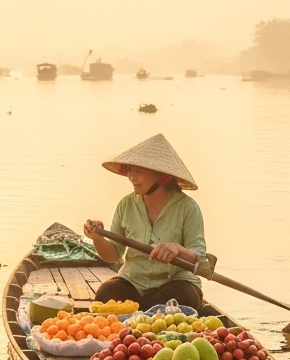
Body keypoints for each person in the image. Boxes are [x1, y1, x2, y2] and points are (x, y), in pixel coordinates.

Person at [83, 133, 207, 310]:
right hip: (133, 281)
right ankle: (144, 311)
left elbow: (200, 257)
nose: (132, 177)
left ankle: (141, 312)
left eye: (139, 172)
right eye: (130, 171)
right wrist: (98, 238)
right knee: (106, 293)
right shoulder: (126, 205)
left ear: (163, 177)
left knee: (179, 297)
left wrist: (177, 249)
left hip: (175, 282)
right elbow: (113, 256)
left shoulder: (187, 207)